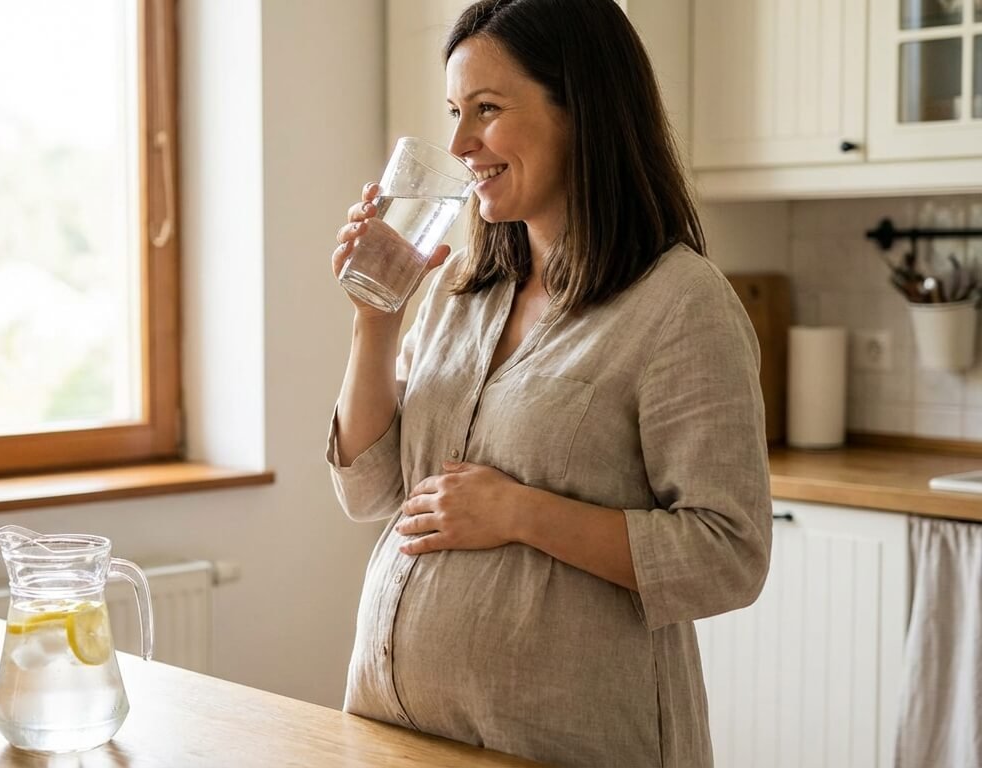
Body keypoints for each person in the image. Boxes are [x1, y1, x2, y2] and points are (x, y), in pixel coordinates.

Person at [325, 1, 772, 766]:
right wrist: (376, 319)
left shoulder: (679, 304)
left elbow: (728, 555)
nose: (460, 145)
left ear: (581, 110)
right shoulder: (461, 291)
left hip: (569, 744)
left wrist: (520, 512)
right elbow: (369, 493)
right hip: (392, 731)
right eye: (455, 113)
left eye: (487, 110)